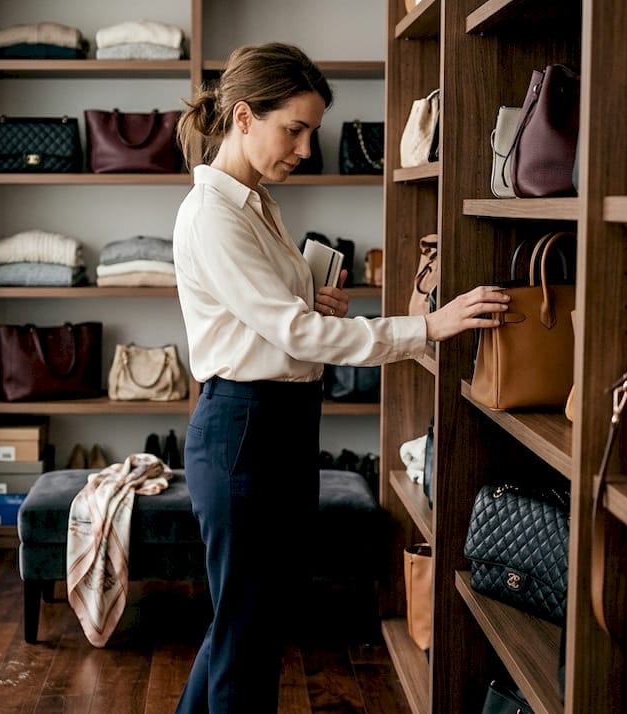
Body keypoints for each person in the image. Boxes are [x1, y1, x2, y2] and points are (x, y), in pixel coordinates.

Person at [169, 42, 509, 712]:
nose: (304, 147)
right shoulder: (213, 214)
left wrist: (304, 291)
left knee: (248, 621)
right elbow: (295, 335)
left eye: (310, 132)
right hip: (244, 427)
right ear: (243, 118)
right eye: (292, 129)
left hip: (279, 423)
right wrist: (426, 330)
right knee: (247, 631)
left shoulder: (255, 203)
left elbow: (275, 316)